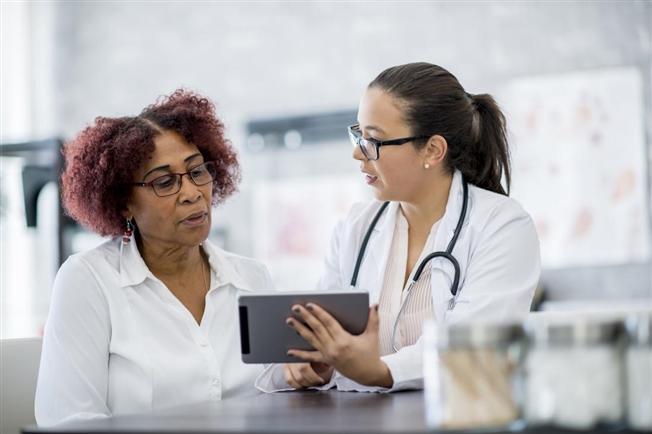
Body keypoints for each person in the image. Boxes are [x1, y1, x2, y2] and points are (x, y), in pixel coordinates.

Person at [256, 62, 541, 393]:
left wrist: (378, 370)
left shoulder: (502, 225)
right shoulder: (356, 228)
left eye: (373, 140)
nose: (357, 153)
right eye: (358, 134)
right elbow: (324, 338)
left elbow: (474, 346)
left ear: (433, 150)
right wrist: (316, 364)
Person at [35, 89, 273, 425]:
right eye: (164, 182)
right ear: (123, 202)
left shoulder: (253, 279)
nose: (191, 194)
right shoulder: (88, 281)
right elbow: (69, 421)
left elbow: (279, 398)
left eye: (197, 172)